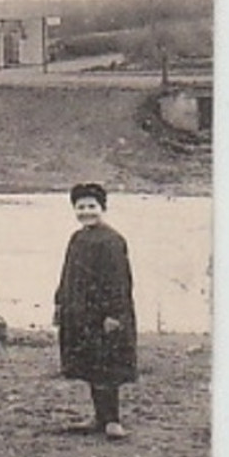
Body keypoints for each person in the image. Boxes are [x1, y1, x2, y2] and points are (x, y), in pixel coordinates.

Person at [54, 183, 138, 440]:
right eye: (81, 207)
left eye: (92, 206)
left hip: (105, 315)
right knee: (91, 364)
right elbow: (67, 274)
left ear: (102, 208)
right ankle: (98, 417)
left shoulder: (112, 240)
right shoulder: (77, 238)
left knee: (107, 365)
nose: (86, 211)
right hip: (80, 312)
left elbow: (120, 281)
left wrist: (114, 314)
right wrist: (60, 303)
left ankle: (113, 420)